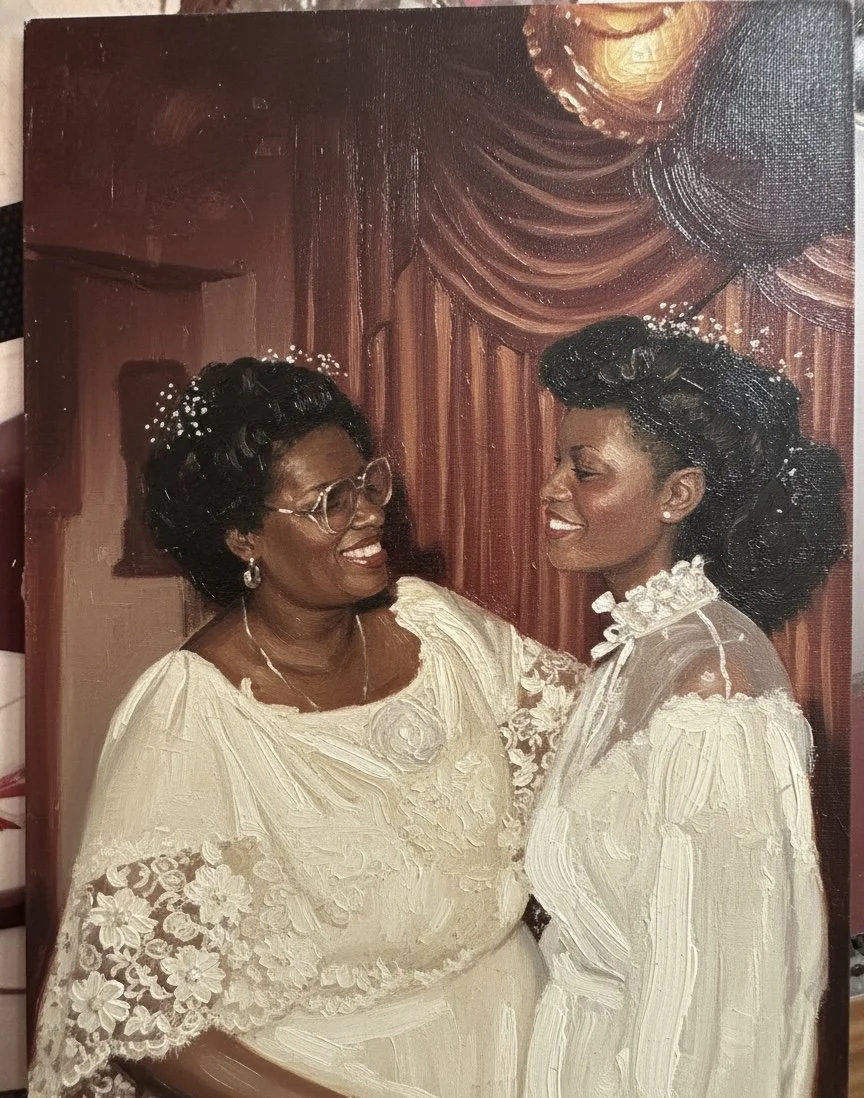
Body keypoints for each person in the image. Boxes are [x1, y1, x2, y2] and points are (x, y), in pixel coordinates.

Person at [30, 355, 583, 1098]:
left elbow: (604, 759)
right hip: (324, 1080)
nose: (369, 513)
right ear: (243, 537)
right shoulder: (192, 712)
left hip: (522, 1049)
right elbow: (140, 1018)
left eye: (368, 482)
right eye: (329, 501)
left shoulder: (444, 631)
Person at [523, 315, 845, 1098]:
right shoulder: (635, 650)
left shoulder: (715, 691)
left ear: (679, 494)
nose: (553, 489)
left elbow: (724, 1019)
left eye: (585, 471)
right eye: (558, 463)